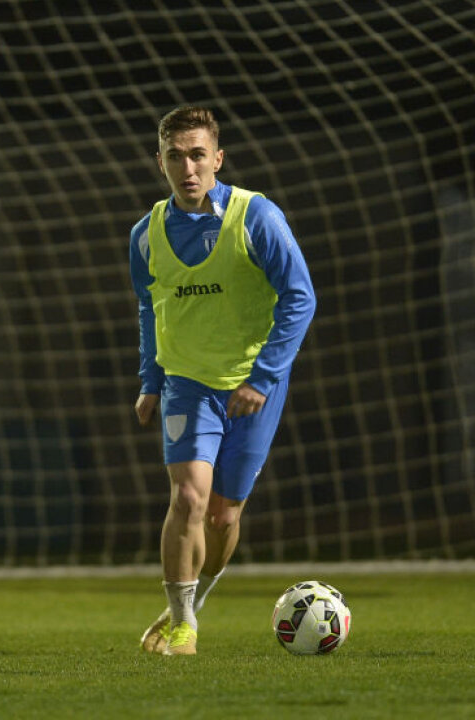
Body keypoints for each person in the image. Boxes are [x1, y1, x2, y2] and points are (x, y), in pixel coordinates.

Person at [130, 106, 316, 656]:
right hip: (186, 383)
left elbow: (300, 298)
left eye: (197, 154)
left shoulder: (255, 217)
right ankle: (184, 624)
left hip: (252, 390)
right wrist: (150, 380)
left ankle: (191, 603)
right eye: (174, 156)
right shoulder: (145, 235)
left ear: (217, 158)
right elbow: (150, 311)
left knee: (223, 513)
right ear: (158, 161)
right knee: (188, 496)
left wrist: (262, 377)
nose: (187, 167)